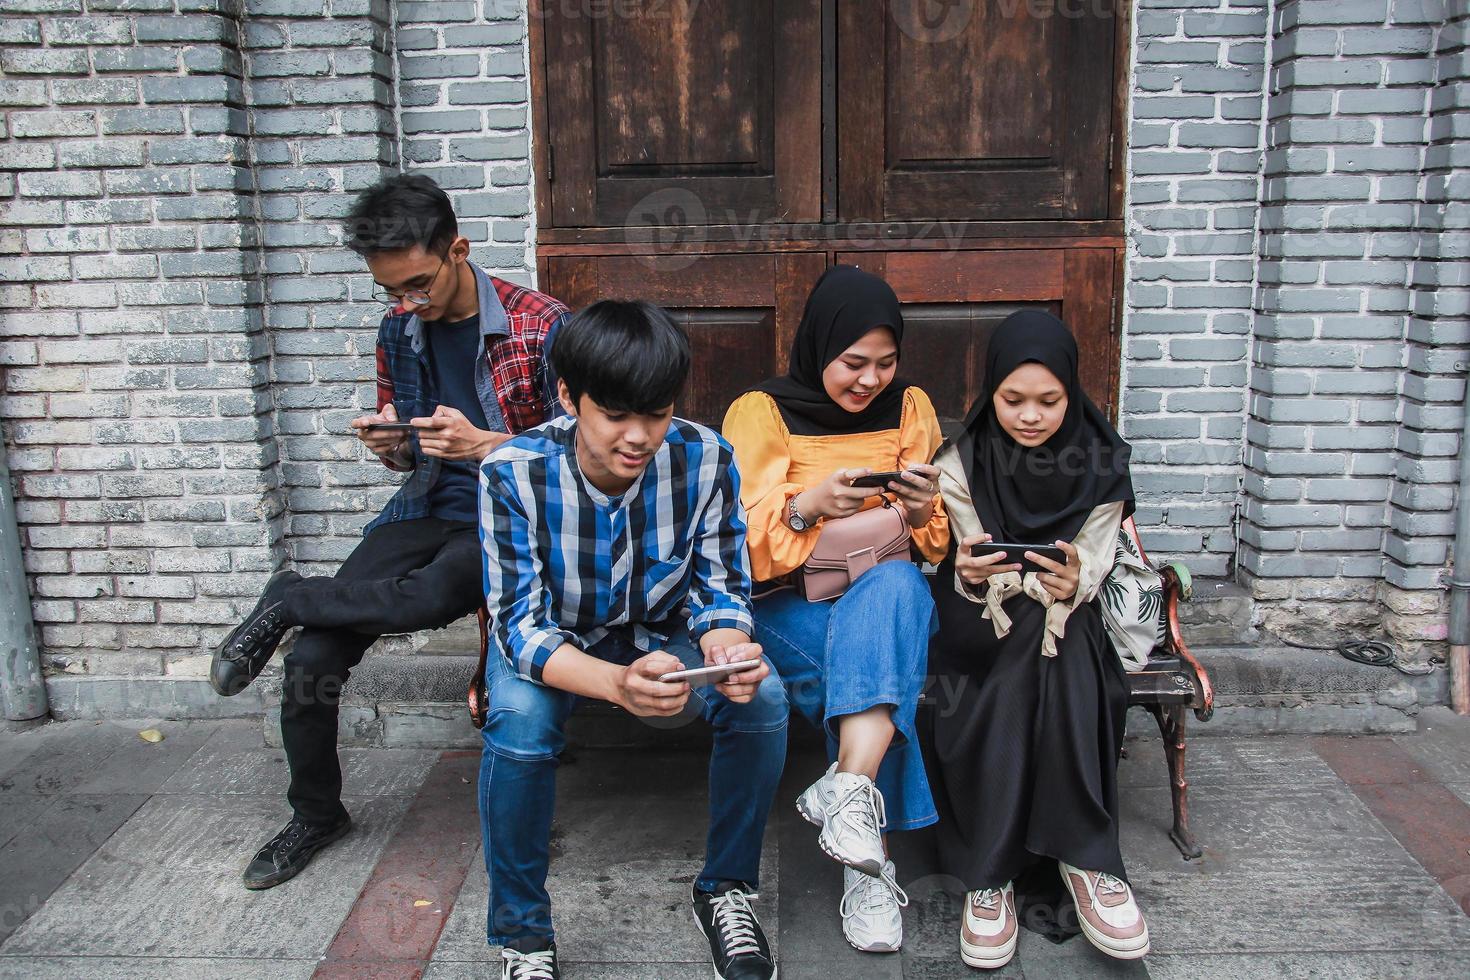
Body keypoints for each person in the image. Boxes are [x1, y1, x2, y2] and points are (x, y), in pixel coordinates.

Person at [206, 173, 569, 890]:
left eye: (418, 284)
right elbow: (408, 442)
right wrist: (390, 446)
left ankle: (289, 592)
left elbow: (584, 448)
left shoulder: (544, 325)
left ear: (458, 249)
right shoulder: (398, 330)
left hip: (511, 514)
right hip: (425, 503)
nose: (408, 302)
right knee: (312, 659)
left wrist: (487, 444)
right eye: (391, 290)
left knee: (431, 595)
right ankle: (316, 814)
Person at [478, 300, 786, 980]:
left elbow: (719, 585)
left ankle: (727, 890)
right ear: (567, 397)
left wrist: (727, 645)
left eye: (656, 412)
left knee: (762, 699)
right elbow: (520, 626)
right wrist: (616, 685)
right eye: (615, 413)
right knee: (519, 727)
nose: (639, 435)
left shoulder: (705, 459)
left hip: (665, 633)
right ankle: (524, 934)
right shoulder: (513, 474)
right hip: (559, 645)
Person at [722, 265, 948, 953]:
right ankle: (871, 865)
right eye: (852, 363)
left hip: (887, 593)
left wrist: (919, 510)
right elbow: (737, 548)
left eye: (885, 363)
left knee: (900, 589)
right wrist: (804, 507)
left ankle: (849, 799)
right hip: (788, 603)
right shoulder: (760, 410)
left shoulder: (912, 408)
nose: (869, 380)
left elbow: (936, 543)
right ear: (820, 348)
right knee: (876, 678)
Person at [926, 310, 1148, 969]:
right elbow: (961, 562)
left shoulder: (1102, 460)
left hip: (1060, 627)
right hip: (978, 628)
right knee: (1045, 633)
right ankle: (1089, 857)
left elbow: (1096, 562)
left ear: (1073, 392)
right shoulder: (960, 461)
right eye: (1012, 399)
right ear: (990, 391)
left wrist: (1075, 577)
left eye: (1049, 401)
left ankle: (990, 874)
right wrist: (967, 573)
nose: (1030, 416)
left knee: (1057, 629)